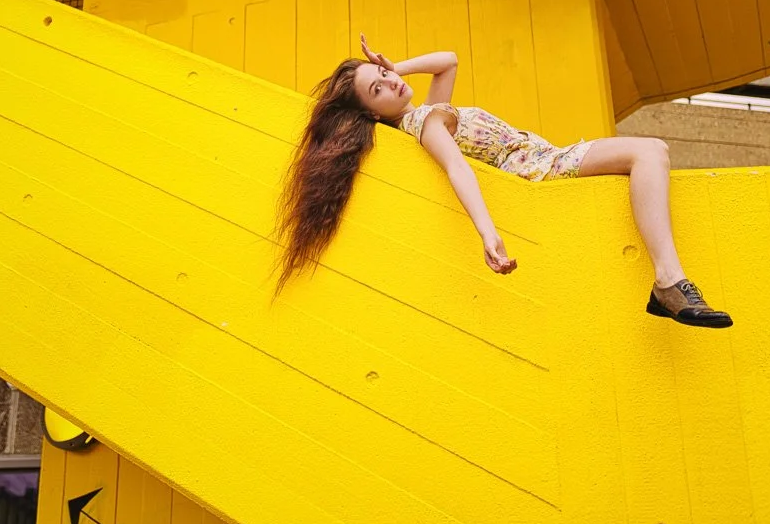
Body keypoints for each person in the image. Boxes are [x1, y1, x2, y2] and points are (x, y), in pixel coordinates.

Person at [275, 34, 733, 327]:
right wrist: (487, 233)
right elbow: (456, 168)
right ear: (374, 114)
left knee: (652, 152)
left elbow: (448, 61)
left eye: (383, 75)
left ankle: (668, 283)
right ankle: (669, 280)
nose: (391, 83)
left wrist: (396, 66)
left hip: (545, 156)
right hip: (538, 168)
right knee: (650, 151)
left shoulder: (430, 110)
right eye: (378, 89)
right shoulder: (427, 125)